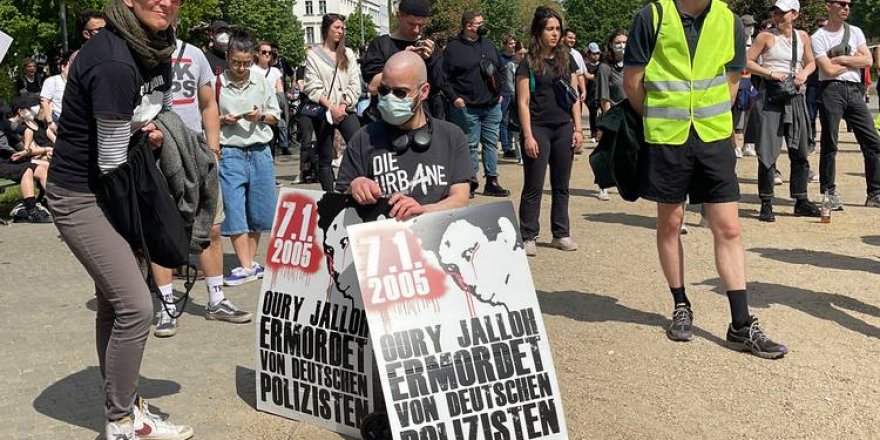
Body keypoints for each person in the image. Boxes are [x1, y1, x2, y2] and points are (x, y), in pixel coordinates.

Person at [46, 0, 195, 438]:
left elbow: (158, 110)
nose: (166, 3)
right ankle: (122, 422)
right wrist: (136, 226)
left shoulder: (158, 46)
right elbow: (111, 159)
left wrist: (153, 132)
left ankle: (126, 405)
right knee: (136, 306)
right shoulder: (113, 61)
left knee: (116, 303)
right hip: (81, 194)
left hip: (114, 183)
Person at [623, 0, 788, 358]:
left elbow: (732, 80)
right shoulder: (652, 16)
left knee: (729, 228)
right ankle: (680, 304)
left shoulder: (727, 19)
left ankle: (740, 324)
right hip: (668, 137)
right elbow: (633, 83)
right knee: (671, 222)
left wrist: (710, 119)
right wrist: (660, 117)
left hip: (713, 137)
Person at [151, 25, 253, 338]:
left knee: (211, 225)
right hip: (158, 147)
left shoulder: (194, 55)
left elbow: (208, 104)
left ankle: (217, 299)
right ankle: (166, 306)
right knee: (162, 228)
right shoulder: (142, 56)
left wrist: (213, 147)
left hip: (197, 148)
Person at [336, 51, 471, 218]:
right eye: (384, 90)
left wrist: (423, 210)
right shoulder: (363, 138)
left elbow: (461, 198)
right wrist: (355, 185)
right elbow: (341, 193)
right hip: (382, 237)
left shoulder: (452, 136)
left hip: (436, 235)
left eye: (400, 93)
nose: (389, 98)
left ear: (423, 91)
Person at [516, 7, 584, 256]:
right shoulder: (528, 62)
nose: (555, 34)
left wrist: (578, 129)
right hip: (539, 128)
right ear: (539, 31)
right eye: (550, 29)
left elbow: (574, 97)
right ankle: (528, 234)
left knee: (561, 184)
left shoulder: (566, 58)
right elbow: (522, 102)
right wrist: (528, 135)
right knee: (533, 184)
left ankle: (561, 233)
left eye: (558, 29)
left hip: (563, 128)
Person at [747, 0, 822, 223]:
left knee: (799, 149)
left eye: (783, 13)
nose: (778, 16)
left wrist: (804, 74)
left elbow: (811, 63)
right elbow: (747, 61)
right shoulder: (765, 36)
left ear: (795, 14)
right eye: (775, 12)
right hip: (771, 96)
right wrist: (770, 74)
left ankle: (801, 200)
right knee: (767, 151)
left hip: (795, 95)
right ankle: (766, 202)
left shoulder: (803, 37)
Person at [216, 32, 281, 286]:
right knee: (233, 207)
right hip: (230, 151)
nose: (241, 68)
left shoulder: (260, 81)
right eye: (236, 62)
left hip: (259, 150)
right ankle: (245, 265)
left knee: (260, 208)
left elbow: (275, 116)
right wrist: (222, 120)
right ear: (227, 57)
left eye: (245, 62)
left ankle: (248, 262)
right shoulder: (216, 83)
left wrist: (260, 116)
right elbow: (206, 117)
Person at [811, 0, 880, 208]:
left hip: (854, 90)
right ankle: (829, 192)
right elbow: (827, 70)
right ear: (829, 6)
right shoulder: (819, 37)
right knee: (830, 142)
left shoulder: (856, 31)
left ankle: (875, 193)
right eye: (841, 4)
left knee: (873, 141)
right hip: (831, 89)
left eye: (849, 4)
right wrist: (852, 60)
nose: (846, 8)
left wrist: (840, 59)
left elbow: (867, 61)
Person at [443, 10, 510, 198]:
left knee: (490, 143)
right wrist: (455, 98)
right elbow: (443, 78)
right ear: (468, 26)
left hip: (491, 104)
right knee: (470, 145)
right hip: (467, 106)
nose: (483, 26)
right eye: (479, 23)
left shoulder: (488, 45)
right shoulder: (453, 48)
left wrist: (501, 93)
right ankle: (470, 183)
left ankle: (492, 181)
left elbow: (501, 69)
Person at [303, 13, 362, 192]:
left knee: (358, 144)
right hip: (324, 109)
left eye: (342, 28)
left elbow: (354, 82)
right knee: (325, 156)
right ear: (326, 29)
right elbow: (312, 86)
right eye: (336, 27)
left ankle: (353, 185)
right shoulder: (313, 55)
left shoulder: (348, 53)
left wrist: (344, 104)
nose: (340, 31)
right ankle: (329, 196)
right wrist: (331, 107)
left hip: (345, 109)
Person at [361, 0, 446, 120]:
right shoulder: (380, 45)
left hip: (423, 119)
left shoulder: (431, 48)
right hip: (385, 119)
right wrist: (403, 57)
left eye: (421, 25)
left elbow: (438, 86)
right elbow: (373, 87)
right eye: (411, 24)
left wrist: (430, 60)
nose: (417, 30)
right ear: (398, 16)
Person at [1, 98, 51, 223]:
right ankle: (31, 211)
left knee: (42, 169)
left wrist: (26, 150)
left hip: (8, 160)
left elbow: (26, 130)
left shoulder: (3, 123)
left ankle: (55, 203)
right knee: (26, 170)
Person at [594, 29, 629, 201]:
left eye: (624, 42)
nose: (622, 46)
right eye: (618, 42)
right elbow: (604, 96)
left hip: (630, 115)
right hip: (612, 113)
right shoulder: (604, 67)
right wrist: (609, 121)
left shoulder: (632, 65)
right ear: (611, 45)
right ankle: (602, 186)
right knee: (607, 151)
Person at [499, 34, 518, 158]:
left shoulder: (518, 58)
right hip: (505, 93)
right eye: (511, 43)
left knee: (514, 121)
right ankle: (506, 147)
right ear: (505, 45)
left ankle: (512, 145)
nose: (513, 45)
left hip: (516, 92)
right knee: (504, 120)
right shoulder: (500, 59)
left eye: (514, 43)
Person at [40, 52, 71, 123]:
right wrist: (50, 122)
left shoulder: (76, 82)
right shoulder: (52, 81)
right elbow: (44, 101)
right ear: (63, 67)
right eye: (71, 67)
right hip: (59, 120)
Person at [563, 28, 588, 102]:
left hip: (575, 91)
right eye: (570, 38)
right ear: (563, 37)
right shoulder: (555, 53)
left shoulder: (577, 54)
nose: (573, 40)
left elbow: (580, 75)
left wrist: (583, 91)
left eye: (574, 38)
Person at [584, 42, 602, 143]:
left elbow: (590, 76)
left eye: (598, 53)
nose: (596, 56)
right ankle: (593, 133)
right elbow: (586, 76)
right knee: (593, 113)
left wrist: (592, 77)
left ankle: (601, 133)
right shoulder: (586, 65)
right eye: (594, 53)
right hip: (590, 94)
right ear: (589, 54)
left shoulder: (602, 65)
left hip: (600, 92)